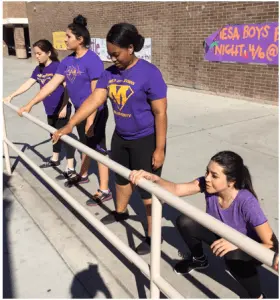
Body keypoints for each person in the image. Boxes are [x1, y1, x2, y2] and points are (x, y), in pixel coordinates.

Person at [52, 23, 168, 254]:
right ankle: (121, 211)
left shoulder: (149, 73)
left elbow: (160, 113)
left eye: (116, 54)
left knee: (147, 191)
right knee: (121, 180)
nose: (112, 58)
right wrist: (70, 125)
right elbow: (94, 101)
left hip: (145, 139)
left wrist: (159, 148)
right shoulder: (110, 74)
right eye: (109, 54)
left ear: (131, 48)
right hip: (121, 136)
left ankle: (153, 236)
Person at [130, 151, 279, 299]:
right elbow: (177, 189)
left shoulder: (247, 202)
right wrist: (153, 178)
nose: (207, 178)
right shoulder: (209, 186)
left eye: (214, 176)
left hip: (249, 250)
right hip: (223, 236)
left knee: (232, 256)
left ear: (231, 181)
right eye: (207, 172)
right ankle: (199, 260)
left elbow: (272, 246)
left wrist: (238, 244)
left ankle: (258, 296)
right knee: (185, 221)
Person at [17, 15, 112, 203]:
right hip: (79, 113)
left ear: (80, 39)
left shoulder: (92, 60)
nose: (65, 39)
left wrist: (91, 121)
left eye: (68, 36)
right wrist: (30, 104)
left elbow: (96, 95)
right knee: (84, 146)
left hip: (96, 112)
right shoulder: (67, 62)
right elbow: (51, 85)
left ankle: (104, 190)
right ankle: (83, 175)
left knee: (99, 151)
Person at [4, 39, 75, 172]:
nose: (36, 56)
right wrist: (11, 96)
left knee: (64, 137)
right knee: (53, 134)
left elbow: (67, 88)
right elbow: (28, 83)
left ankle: (70, 167)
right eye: (35, 53)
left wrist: (65, 106)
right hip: (49, 109)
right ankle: (55, 159)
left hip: (61, 109)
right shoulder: (39, 69)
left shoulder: (57, 67)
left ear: (48, 53)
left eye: (39, 53)